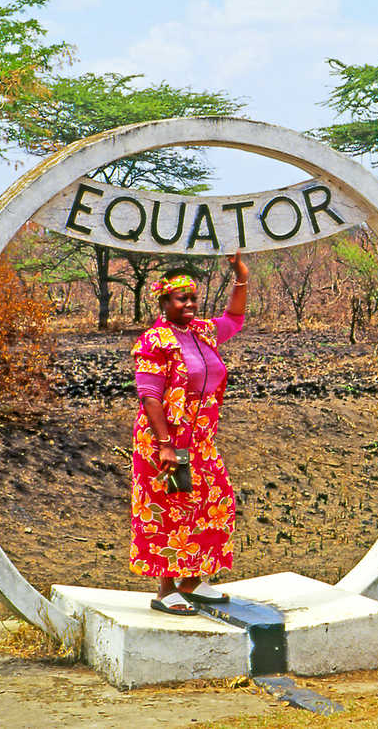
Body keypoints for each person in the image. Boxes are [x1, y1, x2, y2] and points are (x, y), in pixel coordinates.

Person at [130, 252, 249, 615]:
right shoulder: (155, 341)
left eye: (194, 297)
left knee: (216, 501)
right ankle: (166, 589)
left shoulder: (201, 332)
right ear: (164, 302)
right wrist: (165, 445)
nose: (190, 304)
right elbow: (150, 396)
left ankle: (192, 581)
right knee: (169, 510)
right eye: (181, 298)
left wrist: (240, 275)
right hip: (164, 443)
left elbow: (234, 318)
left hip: (200, 442)